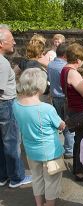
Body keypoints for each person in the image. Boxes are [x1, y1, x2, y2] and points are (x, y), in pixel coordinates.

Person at [13, 68, 65, 206]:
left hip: (31, 150)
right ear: (40, 85)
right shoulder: (47, 108)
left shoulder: (16, 105)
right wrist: (63, 124)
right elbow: (60, 125)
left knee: (36, 178)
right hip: (51, 151)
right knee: (51, 180)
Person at [0, 24, 32, 188]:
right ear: (1, 43)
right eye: (11, 40)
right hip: (5, 105)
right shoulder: (3, 64)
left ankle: (3, 175)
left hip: (4, 105)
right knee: (12, 142)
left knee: (2, 142)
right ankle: (16, 178)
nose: (14, 43)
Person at [60, 43, 83, 181]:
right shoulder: (73, 73)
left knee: (78, 141)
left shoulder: (64, 69)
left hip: (73, 109)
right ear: (78, 59)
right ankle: (80, 172)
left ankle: (77, 168)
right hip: (80, 112)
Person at [47, 43, 74, 158]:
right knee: (68, 126)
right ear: (65, 55)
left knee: (58, 124)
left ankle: (56, 147)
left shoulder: (50, 64)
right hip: (65, 98)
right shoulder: (66, 67)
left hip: (55, 98)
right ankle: (69, 151)